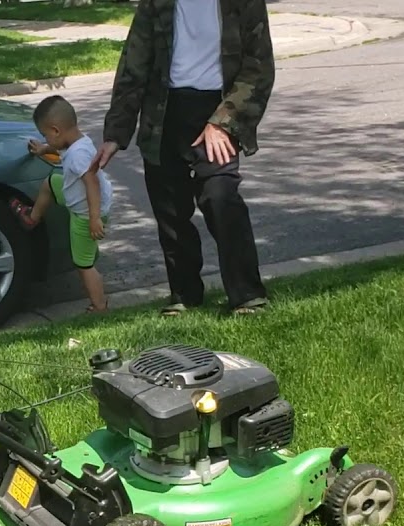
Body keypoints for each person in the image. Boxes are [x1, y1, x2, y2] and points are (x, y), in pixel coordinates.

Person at [95, 0, 275, 316]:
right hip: (164, 111)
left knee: (220, 197)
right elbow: (134, 62)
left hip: (217, 109)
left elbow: (258, 66)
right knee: (170, 210)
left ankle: (247, 295)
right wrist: (115, 132)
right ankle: (185, 294)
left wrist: (223, 122)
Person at [10, 95, 115, 314]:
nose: (46, 138)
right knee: (50, 183)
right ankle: (32, 217)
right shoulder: (76, 141)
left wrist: (94, 218)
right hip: (78, 197)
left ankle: (99, 306)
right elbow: (59, 149)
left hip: (85, 213)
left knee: (83, 264)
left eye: (46, 134)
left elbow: (92, 183)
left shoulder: (78, 155)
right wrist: (43, 149)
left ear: (56, 130)